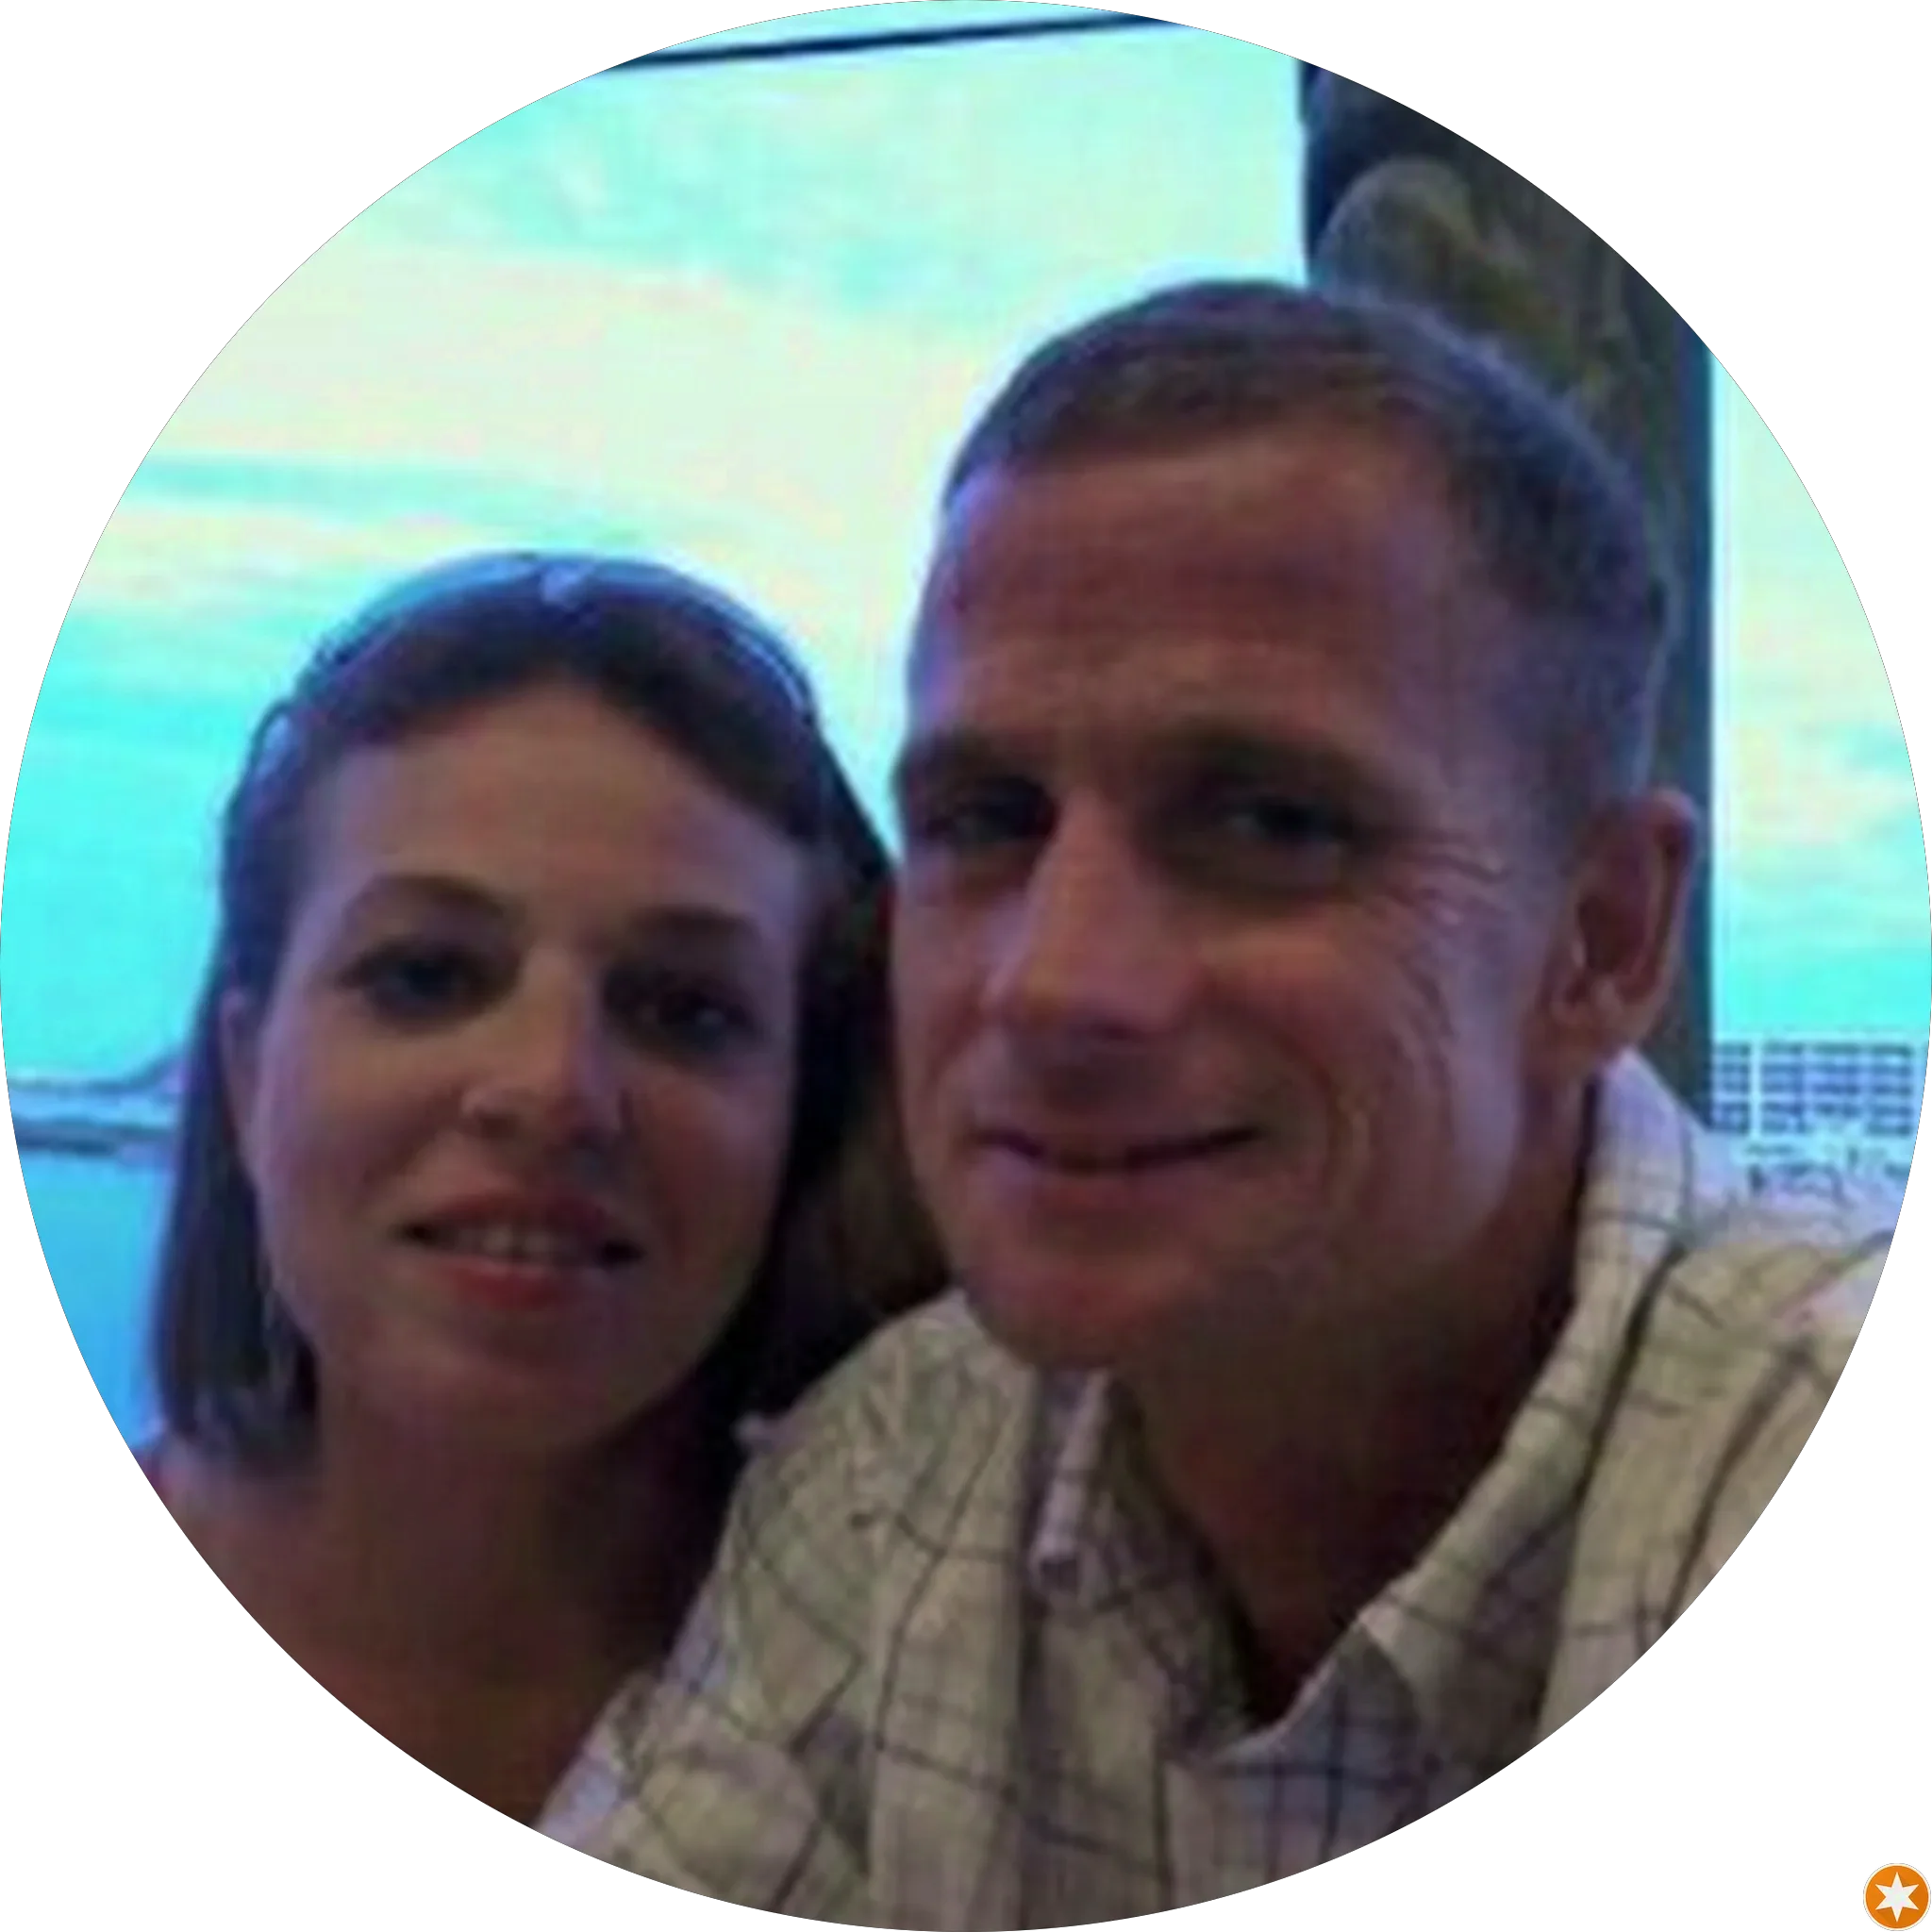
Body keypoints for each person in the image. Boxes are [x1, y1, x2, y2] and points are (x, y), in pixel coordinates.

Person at [548, 284, 1900, 1924]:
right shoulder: (891, 1478)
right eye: (986, 819)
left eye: (1270, 821)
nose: (1053, 983)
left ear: (1603, 937)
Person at [138, 552, 943, 1825]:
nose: (553, 1089)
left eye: (683, 1007)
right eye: (427, 976)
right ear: (247, 1071)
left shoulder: (951, 1708)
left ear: (805, 1108)